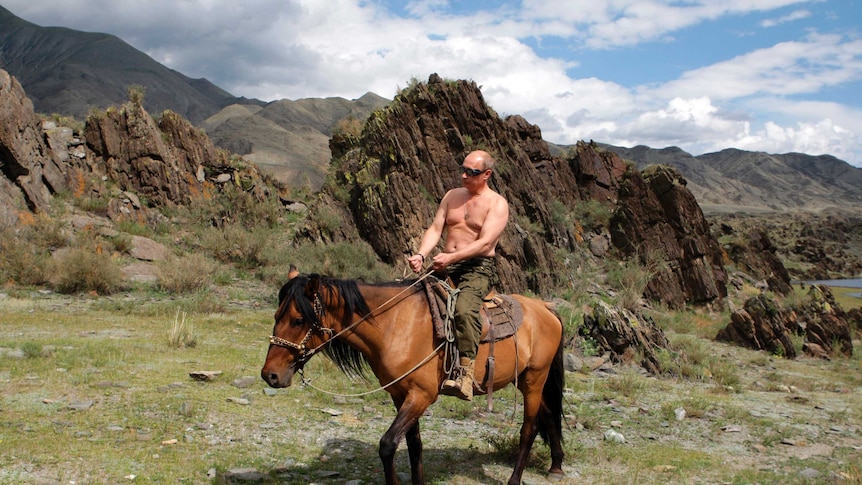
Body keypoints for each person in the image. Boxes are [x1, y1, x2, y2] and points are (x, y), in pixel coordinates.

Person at [407, 150, 509, 401]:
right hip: (446, 264)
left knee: (464, 309)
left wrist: (451, 258)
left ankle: (466, 374)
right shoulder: (452, 196)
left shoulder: (497, 204)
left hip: (477, 267)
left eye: (471, 173)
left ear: (486, 174)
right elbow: (435, 228)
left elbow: (485, 244)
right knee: (409, 296)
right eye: (462, 169)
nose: (464, 176)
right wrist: (421, 254)